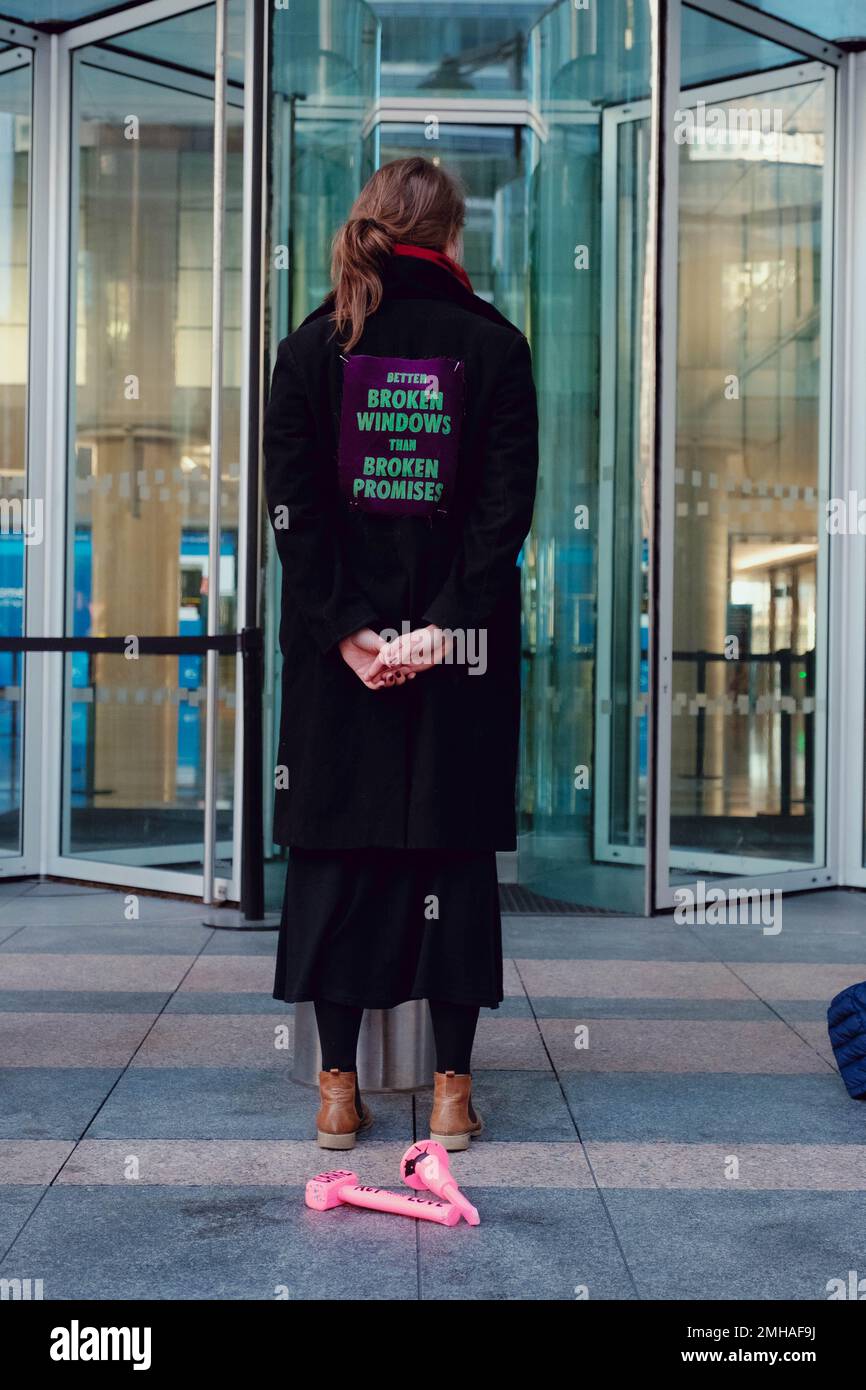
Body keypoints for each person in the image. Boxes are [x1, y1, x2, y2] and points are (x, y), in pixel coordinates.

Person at [263, 156, 538, 1151]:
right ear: (450, 235)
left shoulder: (310, 349)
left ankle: (338, 1091)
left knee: (337, 859)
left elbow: (294, 515)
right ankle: (451, 1095)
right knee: (450, 862)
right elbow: (503, 516)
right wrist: (439, 629)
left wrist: (350, 631)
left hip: (344, 668)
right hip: (454, 662)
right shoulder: (494, 346)